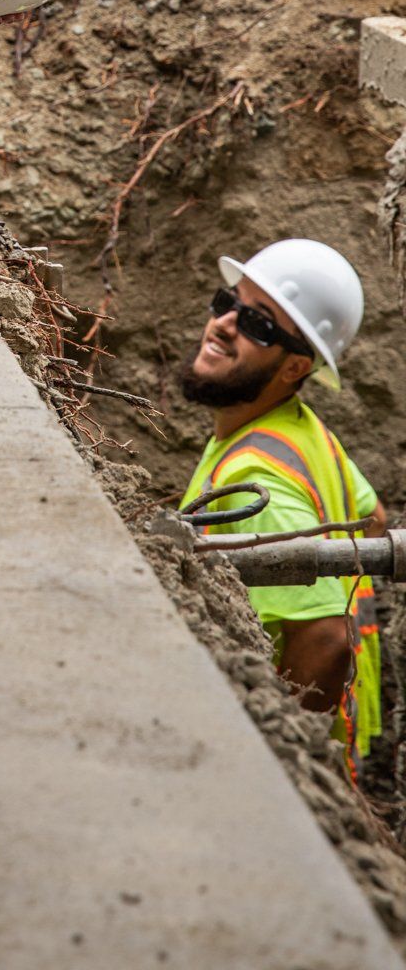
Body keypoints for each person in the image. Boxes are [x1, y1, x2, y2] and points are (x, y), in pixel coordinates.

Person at [179, 239, 384, 777]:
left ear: (295, 366)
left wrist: (280, 756)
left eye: (258, 324)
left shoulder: (256, 478)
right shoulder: (298, 431)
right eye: (228, 302)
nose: (224, 324)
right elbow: (372, 517)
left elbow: (327, 637)